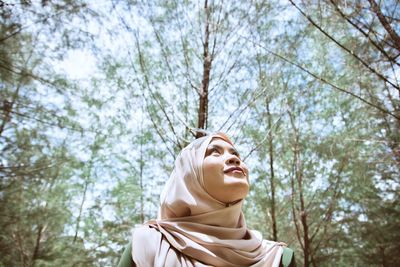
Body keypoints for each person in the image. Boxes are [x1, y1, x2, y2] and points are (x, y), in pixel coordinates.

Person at [117, 133, 295, 267]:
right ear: (189, 175)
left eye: (237, 155)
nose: (234, 159)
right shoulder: (147, 245)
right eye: (214, 153)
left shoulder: (279, 258)